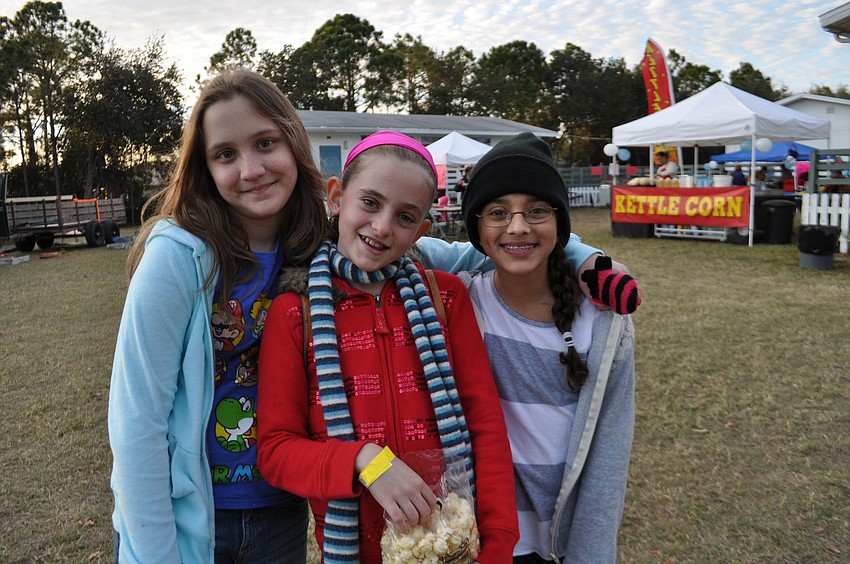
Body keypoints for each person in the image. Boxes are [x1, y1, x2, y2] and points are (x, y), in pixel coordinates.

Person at [257, 131, 519, 562]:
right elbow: (276, 450)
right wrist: (366, 461)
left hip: (454, 545)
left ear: (422, 229)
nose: (382, 227)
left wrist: (498, 547)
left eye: (404, 217)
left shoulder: (446, 298)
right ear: (337, 197)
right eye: (370, 203)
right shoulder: (294, 313)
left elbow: (486, 430)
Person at [108, 69, 327, 563]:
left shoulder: (319, 249)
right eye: (226, 154)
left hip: (281, 511)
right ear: (205, 168)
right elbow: (137, 422)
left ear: (293, 144)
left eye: (265, 143)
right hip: (188, 517)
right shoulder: (176, 260)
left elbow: (410, 245)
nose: (251, 169)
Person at [457, 132, 636, 562]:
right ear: (477, 229)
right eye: (498, 213)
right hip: (486, 536)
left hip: (565, 536)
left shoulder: (604, 324)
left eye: (536, 210)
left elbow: (607, 464)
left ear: (559, 223)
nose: (518, 226)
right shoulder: (459, 303)